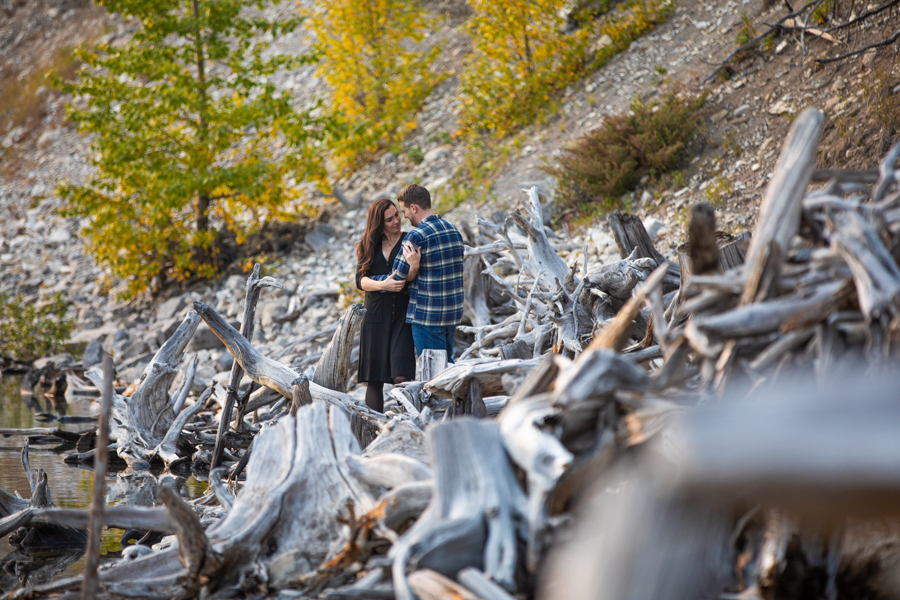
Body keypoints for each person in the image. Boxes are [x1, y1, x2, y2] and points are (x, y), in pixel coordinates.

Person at [370, 184, 464, 360]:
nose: (404, 216)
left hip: (427, 317)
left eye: (404, 210)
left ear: (414, 208)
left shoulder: (416, 236)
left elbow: (396, 276)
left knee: (435, 375)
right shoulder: (453, 230)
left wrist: (371, 281)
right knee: (448, 368)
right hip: (452, 314)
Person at [355, 198, 420, 412]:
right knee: (374, 380)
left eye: (397, 215)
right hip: (375, 317)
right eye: (389, 219)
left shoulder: (409, 240)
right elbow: (360, 281)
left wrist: (414, 266)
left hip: (402, 315)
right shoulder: (367, 245)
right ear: (379, 223)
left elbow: (410, 279)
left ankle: (409, 425)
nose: (396, 221)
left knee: (402, 376)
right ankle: (374, 433)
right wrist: (383, 284)